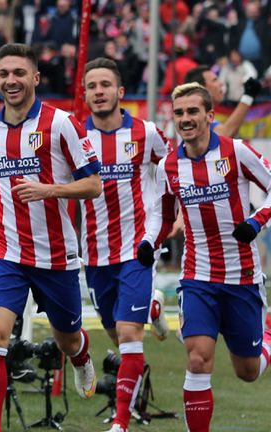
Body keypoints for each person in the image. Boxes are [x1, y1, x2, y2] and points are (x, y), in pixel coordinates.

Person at [0, 43, 101, 432]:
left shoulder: (62, 124)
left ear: (35, 77)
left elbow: (93, 183)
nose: (11, 80)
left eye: (19, 73)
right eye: (4, 74)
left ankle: (82, 359)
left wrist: (50, 189)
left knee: (68, 339)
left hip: (55, 254)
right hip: (5, 249)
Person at [138, 82, 271, 432]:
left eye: (193, 111)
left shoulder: (236, 152)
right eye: (179, 112)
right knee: (197, 359)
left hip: (242, 276)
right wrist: (149, 240)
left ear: (210, 116)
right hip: (197, 277)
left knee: (248, 371)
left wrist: (256, 221)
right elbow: (162, 215)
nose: (185, 118)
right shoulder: (168, 166)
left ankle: (266, 334)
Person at [79, 58, 171, 432]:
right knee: (116, 332)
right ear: (85, 94)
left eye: (105, 84)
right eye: (91, 86)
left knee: (130, 338)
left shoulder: (146, 132)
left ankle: (120, 423)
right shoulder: (74, 135)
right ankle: (152, 306)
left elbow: (172, 169)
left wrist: (169, 221)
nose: (98, 91)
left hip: (137, 247)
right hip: (95, 252)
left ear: (120, 92)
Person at [183, 65, 262, 137]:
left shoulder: (204, 114)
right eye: (214, 80)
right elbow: (225, 134)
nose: (221, 83)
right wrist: (248, 97)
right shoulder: (192, 115)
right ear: (202, 89)